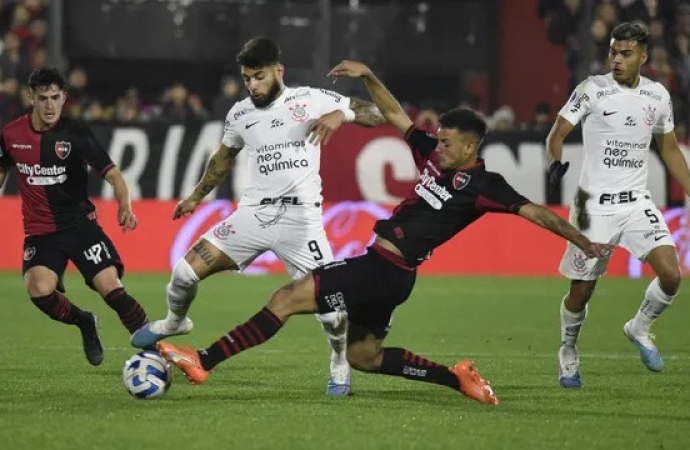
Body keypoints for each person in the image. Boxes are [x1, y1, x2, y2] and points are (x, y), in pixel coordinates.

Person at [153, 60, 612, 405]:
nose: (439, 143)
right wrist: (368, 76)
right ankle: (459, 378)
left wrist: (582, 241)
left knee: (285, 299)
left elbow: (536, 213)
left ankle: (204, 361)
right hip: (394, 276)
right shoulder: (433, 154)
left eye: (449, 140)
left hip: (382, 268)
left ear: (471, 147)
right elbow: (396, 116)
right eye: (440, 137)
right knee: (365, 357)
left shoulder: (485, 185)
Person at [130, 37, 385, 396]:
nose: (252, 84)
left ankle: (339, 362)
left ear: (279, 71)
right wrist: (195, 197)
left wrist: (340, 114)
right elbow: (222, 159)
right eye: (247, 78)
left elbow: (376, 114)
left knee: (332, 310)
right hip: (253, 214)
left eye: (259, 76)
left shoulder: (310, 99)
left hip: (302, 221)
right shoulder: (240, 114)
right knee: (184, 273)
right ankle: (175, 322)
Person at [546, 21, 690, 389]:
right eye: (613, 51)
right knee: (582, 290)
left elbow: (669, 149)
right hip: (593, 209)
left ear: (643, 57)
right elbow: (557, 132)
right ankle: (568, 349)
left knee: (672, 274)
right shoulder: (592, 89)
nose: (617, 59)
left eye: (626, 54)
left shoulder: (657, 96)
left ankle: (639, 327)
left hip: (636, 203)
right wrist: (554, 161)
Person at [0, 67, 148, 366]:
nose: (50, 105)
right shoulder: (11, 135)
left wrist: (125, 206)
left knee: (110, 287)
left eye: (56, 97)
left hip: (81, 227)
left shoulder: (75, 132)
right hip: (41, 232)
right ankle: (84, 322)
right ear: (31, 98)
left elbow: (114, 175)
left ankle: (154, 348)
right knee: (38, 288)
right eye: (43, 98)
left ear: (64, 97)